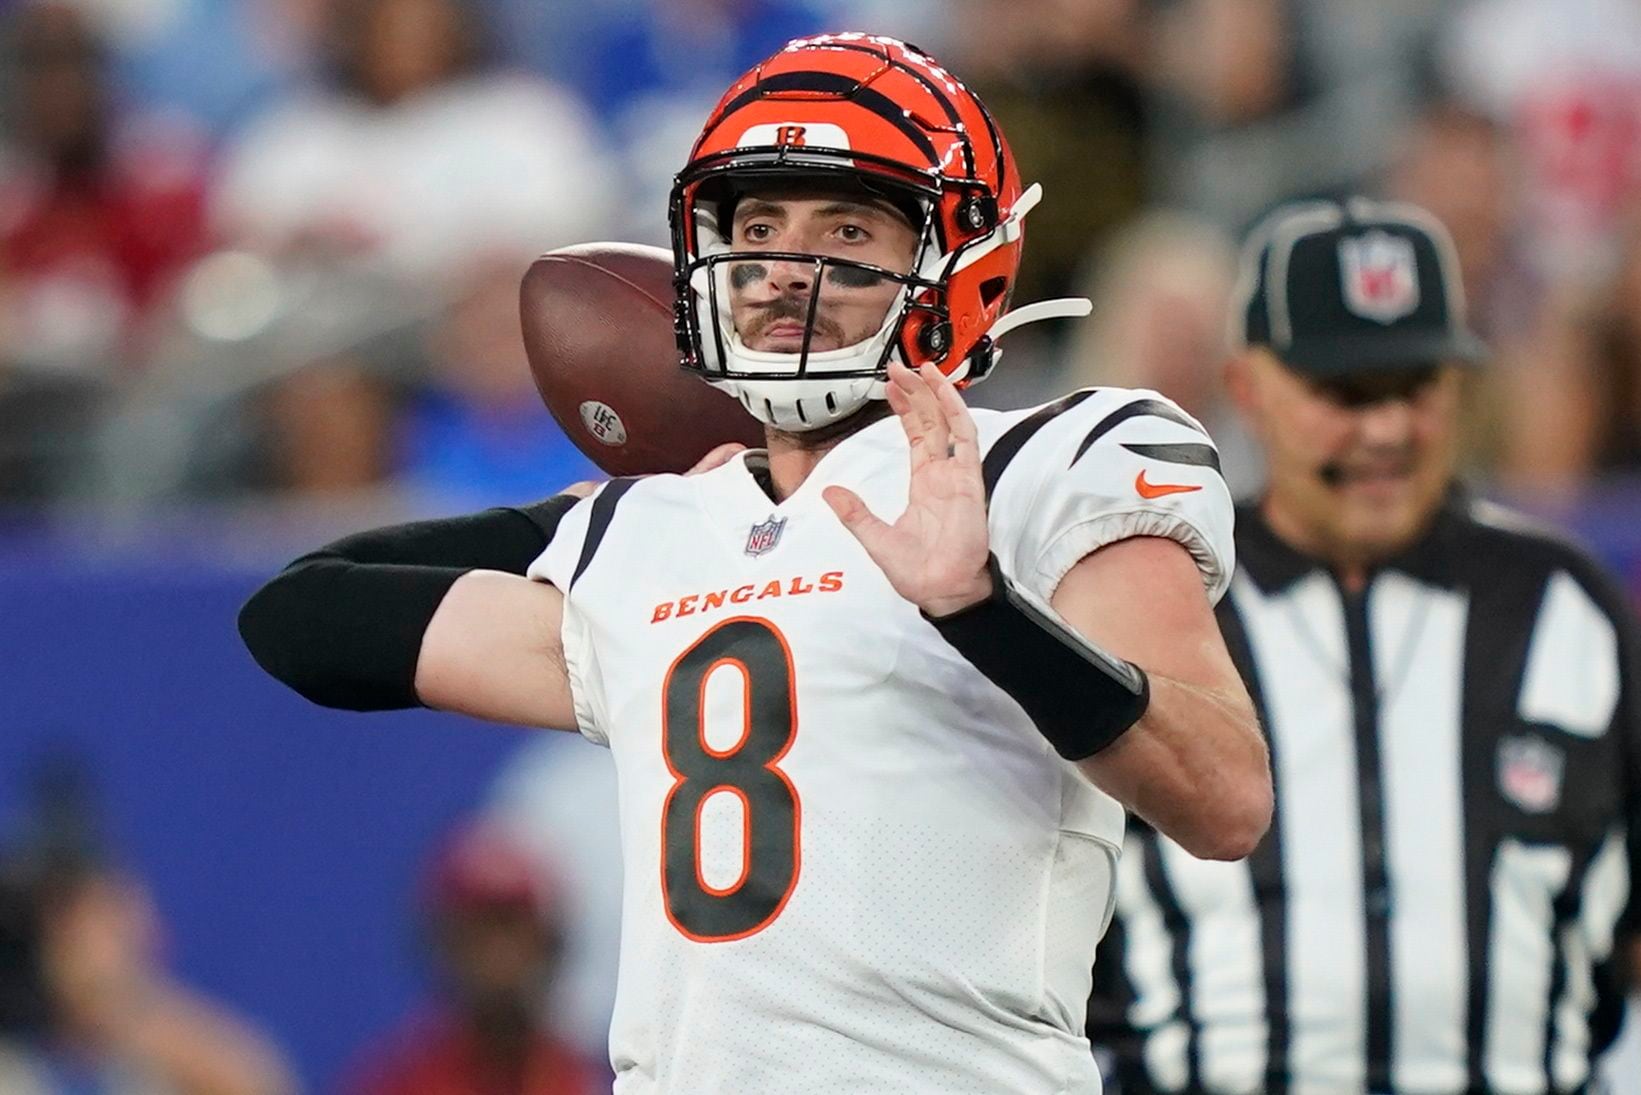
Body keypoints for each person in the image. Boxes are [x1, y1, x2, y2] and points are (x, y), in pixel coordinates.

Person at [239, 34, 1272, 1092]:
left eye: (849, 227)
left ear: (960, 263)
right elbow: (299, 619)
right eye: (760, 224)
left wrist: (982, 610)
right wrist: (588, 512)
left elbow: (1224, 797)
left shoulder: (1052, 460)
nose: (785, 268)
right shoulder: (648, 541)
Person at [1089, 197, 1641, 1093]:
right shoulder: (1161, 598)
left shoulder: (1564, 604)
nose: (1383, 431)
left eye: (1412, 385)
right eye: (1343, 394)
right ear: (1248, 389)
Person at [343, 822, 602, 1095]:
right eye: (480, 933)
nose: (499, 956)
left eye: (513, 928)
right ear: (445, 945)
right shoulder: (394, 1083)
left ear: (549, 944)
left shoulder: (593, 1082)